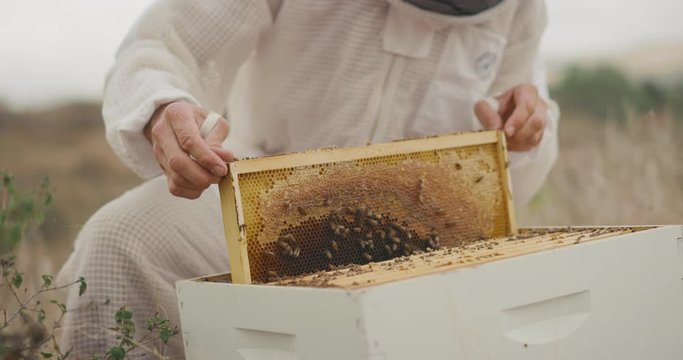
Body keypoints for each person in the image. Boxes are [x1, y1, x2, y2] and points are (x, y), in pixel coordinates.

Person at [58, 0, 558, 357]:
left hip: (423, 224)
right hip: (264, 199)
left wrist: (527, 130)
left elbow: (520, 136)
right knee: (121, 240)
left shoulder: (521, 8)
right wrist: (162, 106)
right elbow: (162, 45)